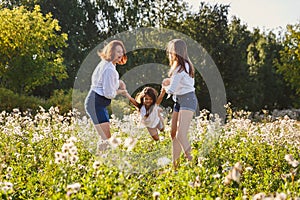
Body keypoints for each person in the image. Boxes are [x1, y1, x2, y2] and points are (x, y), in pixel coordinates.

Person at [85, 40, 128, 150]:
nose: (120, 55)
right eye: (118, 51)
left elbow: (105, 82)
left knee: (104, 139)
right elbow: (109, 94)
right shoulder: (110, 69)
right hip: (96, 104)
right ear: (111, 51)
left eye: (122, 52)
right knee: (106, 139)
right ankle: (100, 163)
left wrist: (119, 83)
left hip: (96, 102)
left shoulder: (107, 64)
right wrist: (121, 92)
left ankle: (101, 162)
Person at [162, 39, 198, 169]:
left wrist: (164, 87)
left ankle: (194, 165)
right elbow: (178, 83)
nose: (170, 53)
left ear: (176, 52)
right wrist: (170, 81)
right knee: (173, 133)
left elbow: (171, 90)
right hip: (179, 100)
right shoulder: (181, 66)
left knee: (181, 134)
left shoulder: (181, 67)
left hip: (187, 99)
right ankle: (175, 167)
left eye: (171, 51)